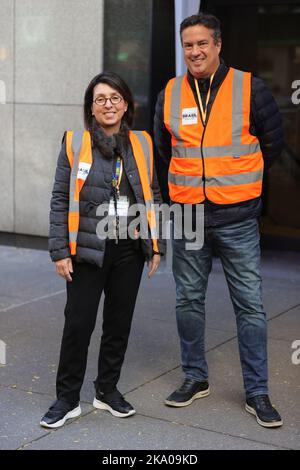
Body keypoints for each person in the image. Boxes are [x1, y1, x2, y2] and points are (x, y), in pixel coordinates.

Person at [154, 13, 284, 428]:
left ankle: (257, 391)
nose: (194, 52)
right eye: (188, 45)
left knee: (250, 305)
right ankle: (195, 377)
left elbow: (273, 143)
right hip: (188, 215)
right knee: (188, 301)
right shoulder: (170, 92)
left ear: (218, 45)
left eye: (202, 44)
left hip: (237, 218)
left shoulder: (250, 88)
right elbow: (162, 151)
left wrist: (241, 189)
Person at [40, 71, 165, 428]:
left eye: (115, 98)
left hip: (129, 250)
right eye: (100, 99)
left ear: (126, 104)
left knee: (118, 323)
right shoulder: (73, 143)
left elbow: (152, 194)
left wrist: (155, 245)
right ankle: (67, 399)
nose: (108, 105)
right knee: (78, 324)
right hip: (86, 251)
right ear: (91, 108)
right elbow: (60, 199)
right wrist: (59, 250)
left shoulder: (141, 143)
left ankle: (107, 390)